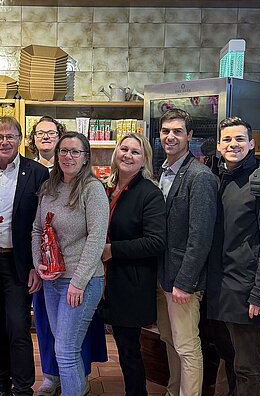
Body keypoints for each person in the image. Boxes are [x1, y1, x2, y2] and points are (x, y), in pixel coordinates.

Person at [27, 117, 107, 396]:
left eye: (75, 152)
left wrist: (78, 282)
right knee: (60, 344)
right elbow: (37, 229)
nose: (68, 156)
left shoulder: (92, 189)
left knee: (66, 349)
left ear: (85, 157)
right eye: (64, 151)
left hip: (81, 282)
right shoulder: (49, 187)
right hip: (52, 280)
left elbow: (96, 238)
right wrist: (39, 264)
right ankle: (79, 388)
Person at [207, 117, 260, 396]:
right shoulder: (215, 177)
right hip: (216, 288)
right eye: (227, 139)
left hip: (246, 291)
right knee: (227, 358)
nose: (233, 144)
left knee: (248, 368)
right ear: (219, 145)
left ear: (252, 144)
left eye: (240, 139)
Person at [0, 116, 49, 396]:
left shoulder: (37, 172)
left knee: (18, 326)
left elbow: (43, 223)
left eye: (10, 136)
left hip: (18, 262)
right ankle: (1, 384)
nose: (4, 142)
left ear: (20, 139)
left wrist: (35, 266)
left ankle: (23, 388)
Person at [156, 109, 218, 396]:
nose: (170, 137)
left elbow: (201, 236)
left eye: (177, 131)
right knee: (169, 339)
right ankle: (173, 391)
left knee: (187, 346)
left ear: (189, 136)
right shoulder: (163, 172)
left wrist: (185, 282)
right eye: (166, 131)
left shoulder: (200, 176)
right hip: (162, 275)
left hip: (182, 281)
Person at [99, 133, 166, 396]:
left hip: (131, 283)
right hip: (103, 281)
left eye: (135, 152)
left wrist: (112, 250)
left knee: (129, 351)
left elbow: (156, 242)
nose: (128, 155)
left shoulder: (150, 193)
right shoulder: (105, 188)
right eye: (124, 149)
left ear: (144, 160)